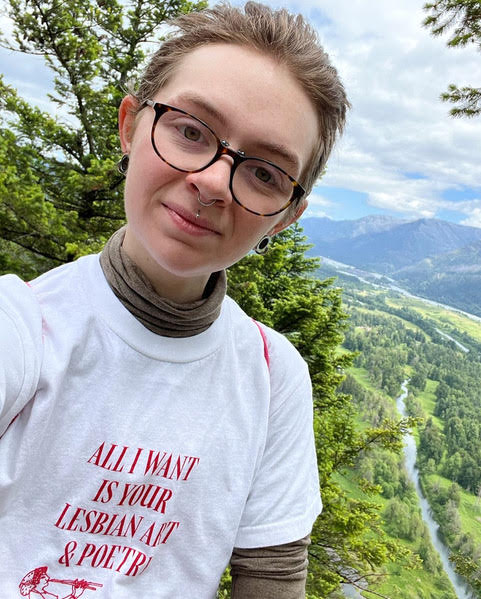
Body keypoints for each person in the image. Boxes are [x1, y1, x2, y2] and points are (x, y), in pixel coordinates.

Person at [0, 2, 348, 597]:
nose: (213, 182)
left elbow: (271, 576)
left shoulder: (272, 376)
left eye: (264, 172)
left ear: (287, 217)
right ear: (131, 125)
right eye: (190, 131)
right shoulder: (21, 326)